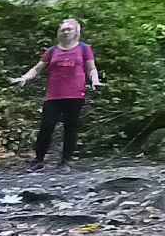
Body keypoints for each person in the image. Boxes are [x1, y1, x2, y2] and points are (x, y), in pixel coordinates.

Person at [12, 17, 100, 171]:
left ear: (76, 32)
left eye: (69, 29)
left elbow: (91, 68)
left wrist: (95, 80)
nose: (65, 32)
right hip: (54, 95)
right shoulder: (53, 50)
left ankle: (65, 161)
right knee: (46, 127)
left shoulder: (84, 48)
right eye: (62, 29)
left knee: (70, 128)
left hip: (75, 94)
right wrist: (25, 77)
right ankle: (38, 160)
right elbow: (38, 67)